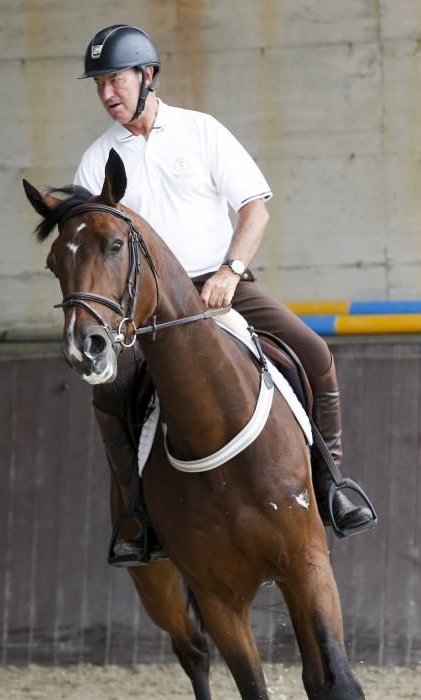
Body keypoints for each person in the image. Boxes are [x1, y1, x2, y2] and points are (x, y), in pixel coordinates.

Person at [74, 24, 374, 564]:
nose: (107, 93)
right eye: (98, 84)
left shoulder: (201, 131)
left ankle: (332, 485)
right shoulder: (96, 160)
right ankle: (137, 519)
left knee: (314, 353)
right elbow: (96, 246)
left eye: (115, 79)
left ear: (147, 76)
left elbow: (254, 207)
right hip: (146, 308)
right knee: (110, 397)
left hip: (221, 286)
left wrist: (231, 271)